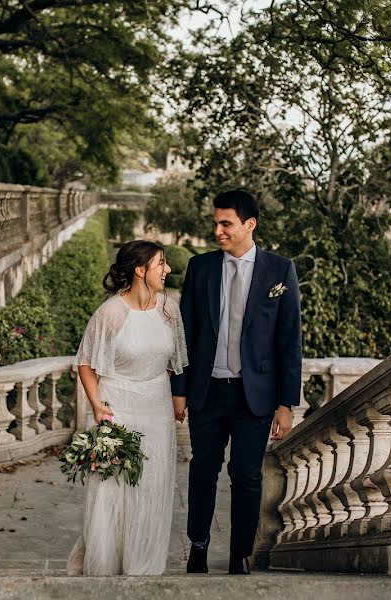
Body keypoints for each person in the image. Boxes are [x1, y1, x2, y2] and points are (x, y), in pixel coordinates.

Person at [171, 189, 302, 575]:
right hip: (206, 393)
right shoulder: (201, 268)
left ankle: (239, 554)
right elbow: (185, 333)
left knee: (246, 476)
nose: (218, 230)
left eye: (226, 223)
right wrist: (179, 389)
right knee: (202, 471)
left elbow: (289, 341)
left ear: (250, 224)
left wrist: (286, 403)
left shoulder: (280, 271)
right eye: (215, 223)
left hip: (254, 397)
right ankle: (197, 545)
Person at [66, 240, 189, 576]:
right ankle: (105, 565)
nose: (167, 270)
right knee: (114, 490)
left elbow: (172, 360)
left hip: (157, 407)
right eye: (160, 264)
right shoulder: (110, 313)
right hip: (119, 408)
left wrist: (170, 394)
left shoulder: (169, 308)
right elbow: (86, 363)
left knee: (152, 486)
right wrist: (97, 405)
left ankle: (144, 566)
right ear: (140, 270)